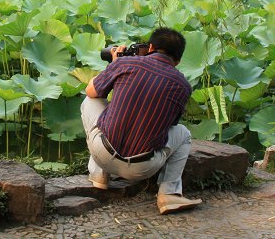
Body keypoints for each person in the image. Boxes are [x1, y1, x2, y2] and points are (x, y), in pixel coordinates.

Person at [80, 27, 202, 215]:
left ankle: (99, 174)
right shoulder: (183, 86)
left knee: (90, 100)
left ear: (151, 46)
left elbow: (91, 91)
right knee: (183, 134)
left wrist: (114, 65)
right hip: (142, 168)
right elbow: (170, 124)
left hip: (101, 152)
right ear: (177, 60)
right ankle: (169, 194)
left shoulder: (125, 63)